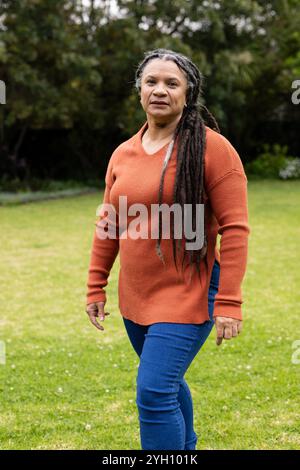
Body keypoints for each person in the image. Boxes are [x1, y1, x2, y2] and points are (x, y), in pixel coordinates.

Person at [85, 48, 250, 450]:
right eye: (151, 82)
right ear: (140, 91)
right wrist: (95, 286)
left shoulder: (213, 149)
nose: (160, 90)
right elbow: (109, 224)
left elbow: (236, 228)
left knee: (154, 391)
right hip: (136, 296)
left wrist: (229, 301)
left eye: (171, 83)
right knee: (166, 384)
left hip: (189, 293)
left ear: (188, 92)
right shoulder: (123, 154)